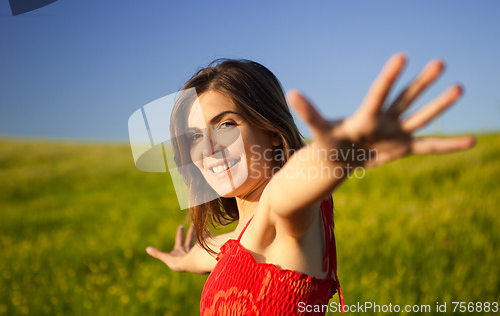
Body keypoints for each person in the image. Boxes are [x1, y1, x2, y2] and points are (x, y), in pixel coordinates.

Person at [144, 54, 475, 315]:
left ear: (272, 133)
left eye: (226, 125)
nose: (207, 149)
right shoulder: (244, 237)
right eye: (195, 137)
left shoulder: (281, 213)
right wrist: (182, 259)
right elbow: (214, 251)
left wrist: (341, 151)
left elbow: (292, 184)